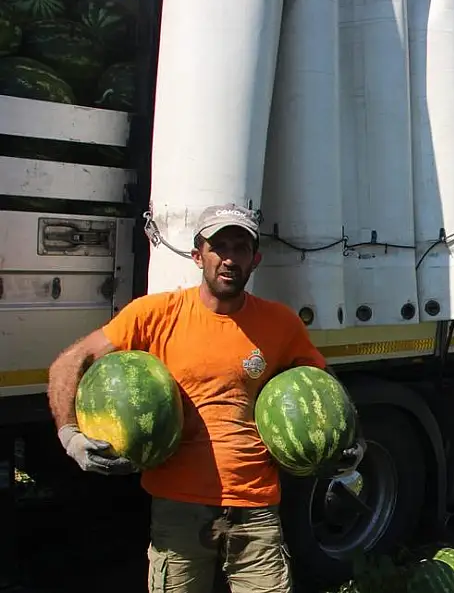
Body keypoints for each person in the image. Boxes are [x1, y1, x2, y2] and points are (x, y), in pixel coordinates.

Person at [45, 203, 364, 593]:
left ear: (255, 259)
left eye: (241, 248)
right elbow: (70, 362)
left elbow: (324, 383)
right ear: (198, 256)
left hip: (256, 509)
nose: (229, 259)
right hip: (179, 507)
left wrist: (353, 440)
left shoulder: (280, 323)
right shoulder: (154, 314)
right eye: (219, 247)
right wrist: (69, 435)